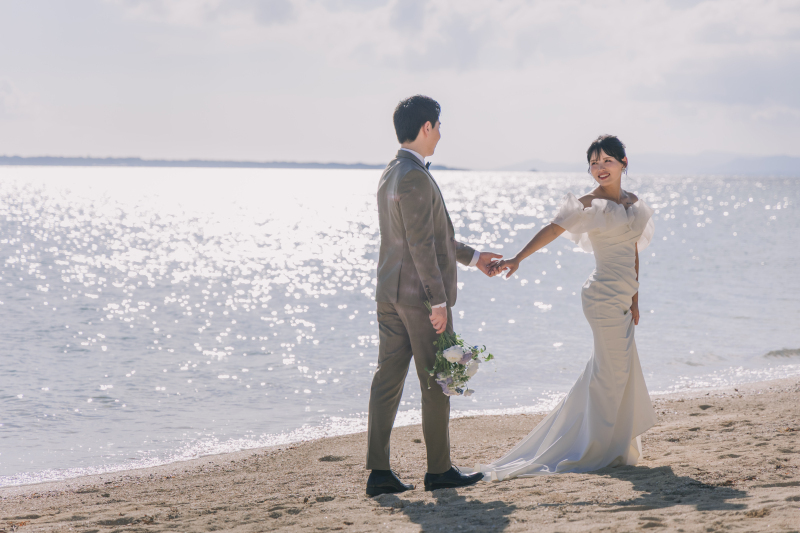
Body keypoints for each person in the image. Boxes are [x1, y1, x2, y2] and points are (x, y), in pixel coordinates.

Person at [480, 134, 657, 481]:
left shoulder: (634, 204)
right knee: (611, 373)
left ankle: (613, 444)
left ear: (624, 163)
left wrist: (636, 299)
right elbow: (552, 229)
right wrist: (517, 258)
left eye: (607, 160)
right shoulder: (588, 205)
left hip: (623, 298)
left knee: (617, 371)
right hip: (601, 297)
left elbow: (632, 251)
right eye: (594, 162)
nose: (600, 167)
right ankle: (594, 448)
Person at [366, 95, 502, 496]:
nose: (441, 134)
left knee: (387, 380)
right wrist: (437, 301)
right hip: (418, 300)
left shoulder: (393, 171)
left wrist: (474, 257)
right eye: (439, 126)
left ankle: (378, 473)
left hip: (389, 294)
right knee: (440, 378)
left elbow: (433, 238)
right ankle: (439, 470)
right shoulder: (412, 176)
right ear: (426, 127)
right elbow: (422, 244)